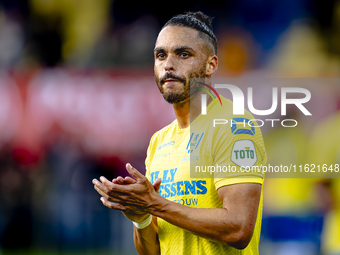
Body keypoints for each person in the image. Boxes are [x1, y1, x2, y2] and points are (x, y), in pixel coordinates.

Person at [93, 11, 266, 255]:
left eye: (183, 54)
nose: (169, 64)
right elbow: (152, 251)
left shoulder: (235, 125)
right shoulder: (159, 141)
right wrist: (141, 216)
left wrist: (155, 204)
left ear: (211, 64)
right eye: (160, 55)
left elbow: (238, 230)